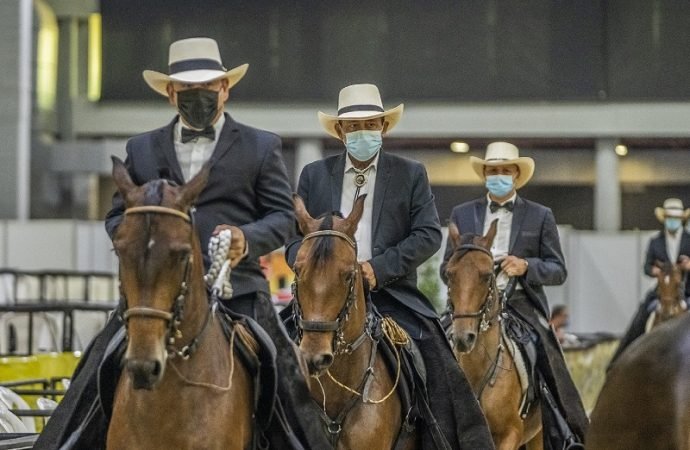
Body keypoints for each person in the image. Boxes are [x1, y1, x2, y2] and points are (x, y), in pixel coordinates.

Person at [35, 37, 330, 450]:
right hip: (155, 293)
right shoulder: (141, 148)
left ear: (225, 88)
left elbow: (283, 217)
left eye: (207, 92)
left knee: (285, 379)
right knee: (94, 371)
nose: (199, 100)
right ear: (171, 93)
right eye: (188, 93)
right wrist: (141, 239)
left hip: (238, 292)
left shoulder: (261, 147)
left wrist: (246, 238)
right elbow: (116, 217)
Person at [282, 83, 493, 449]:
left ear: (383, 127)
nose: (362, 132)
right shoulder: (314, 175)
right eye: (353, 126)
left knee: (439, 365)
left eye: (370, 125)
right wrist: (307, 266)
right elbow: (293, 241)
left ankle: (443, 440)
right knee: (271, 353)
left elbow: (428, 234)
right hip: (323, 298)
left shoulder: (410, 174)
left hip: (393, 295)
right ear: (339, 131)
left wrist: (377, 268)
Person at [440, 142, 588, 449]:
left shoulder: (540, 215)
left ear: (516, 175)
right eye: (492, 171)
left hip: (520, 303)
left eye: (504, 171)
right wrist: (466, 272)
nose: (498, 176)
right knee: (433, 347)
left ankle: (566, 429)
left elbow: (558, 269)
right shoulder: (462, 214)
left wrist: (526, 265)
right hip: (470, 305)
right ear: (484, 175)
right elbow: (446, 268)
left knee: (547, 357)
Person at [608, 198, 690, 366]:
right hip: (662, 291)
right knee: (641, 316)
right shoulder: (656, 242)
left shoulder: (689, 240)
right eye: (669, 218)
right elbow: (646, 267)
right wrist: (655, 271)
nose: (672, 222)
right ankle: (619, 360)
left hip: (687, 290)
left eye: (675, 219)